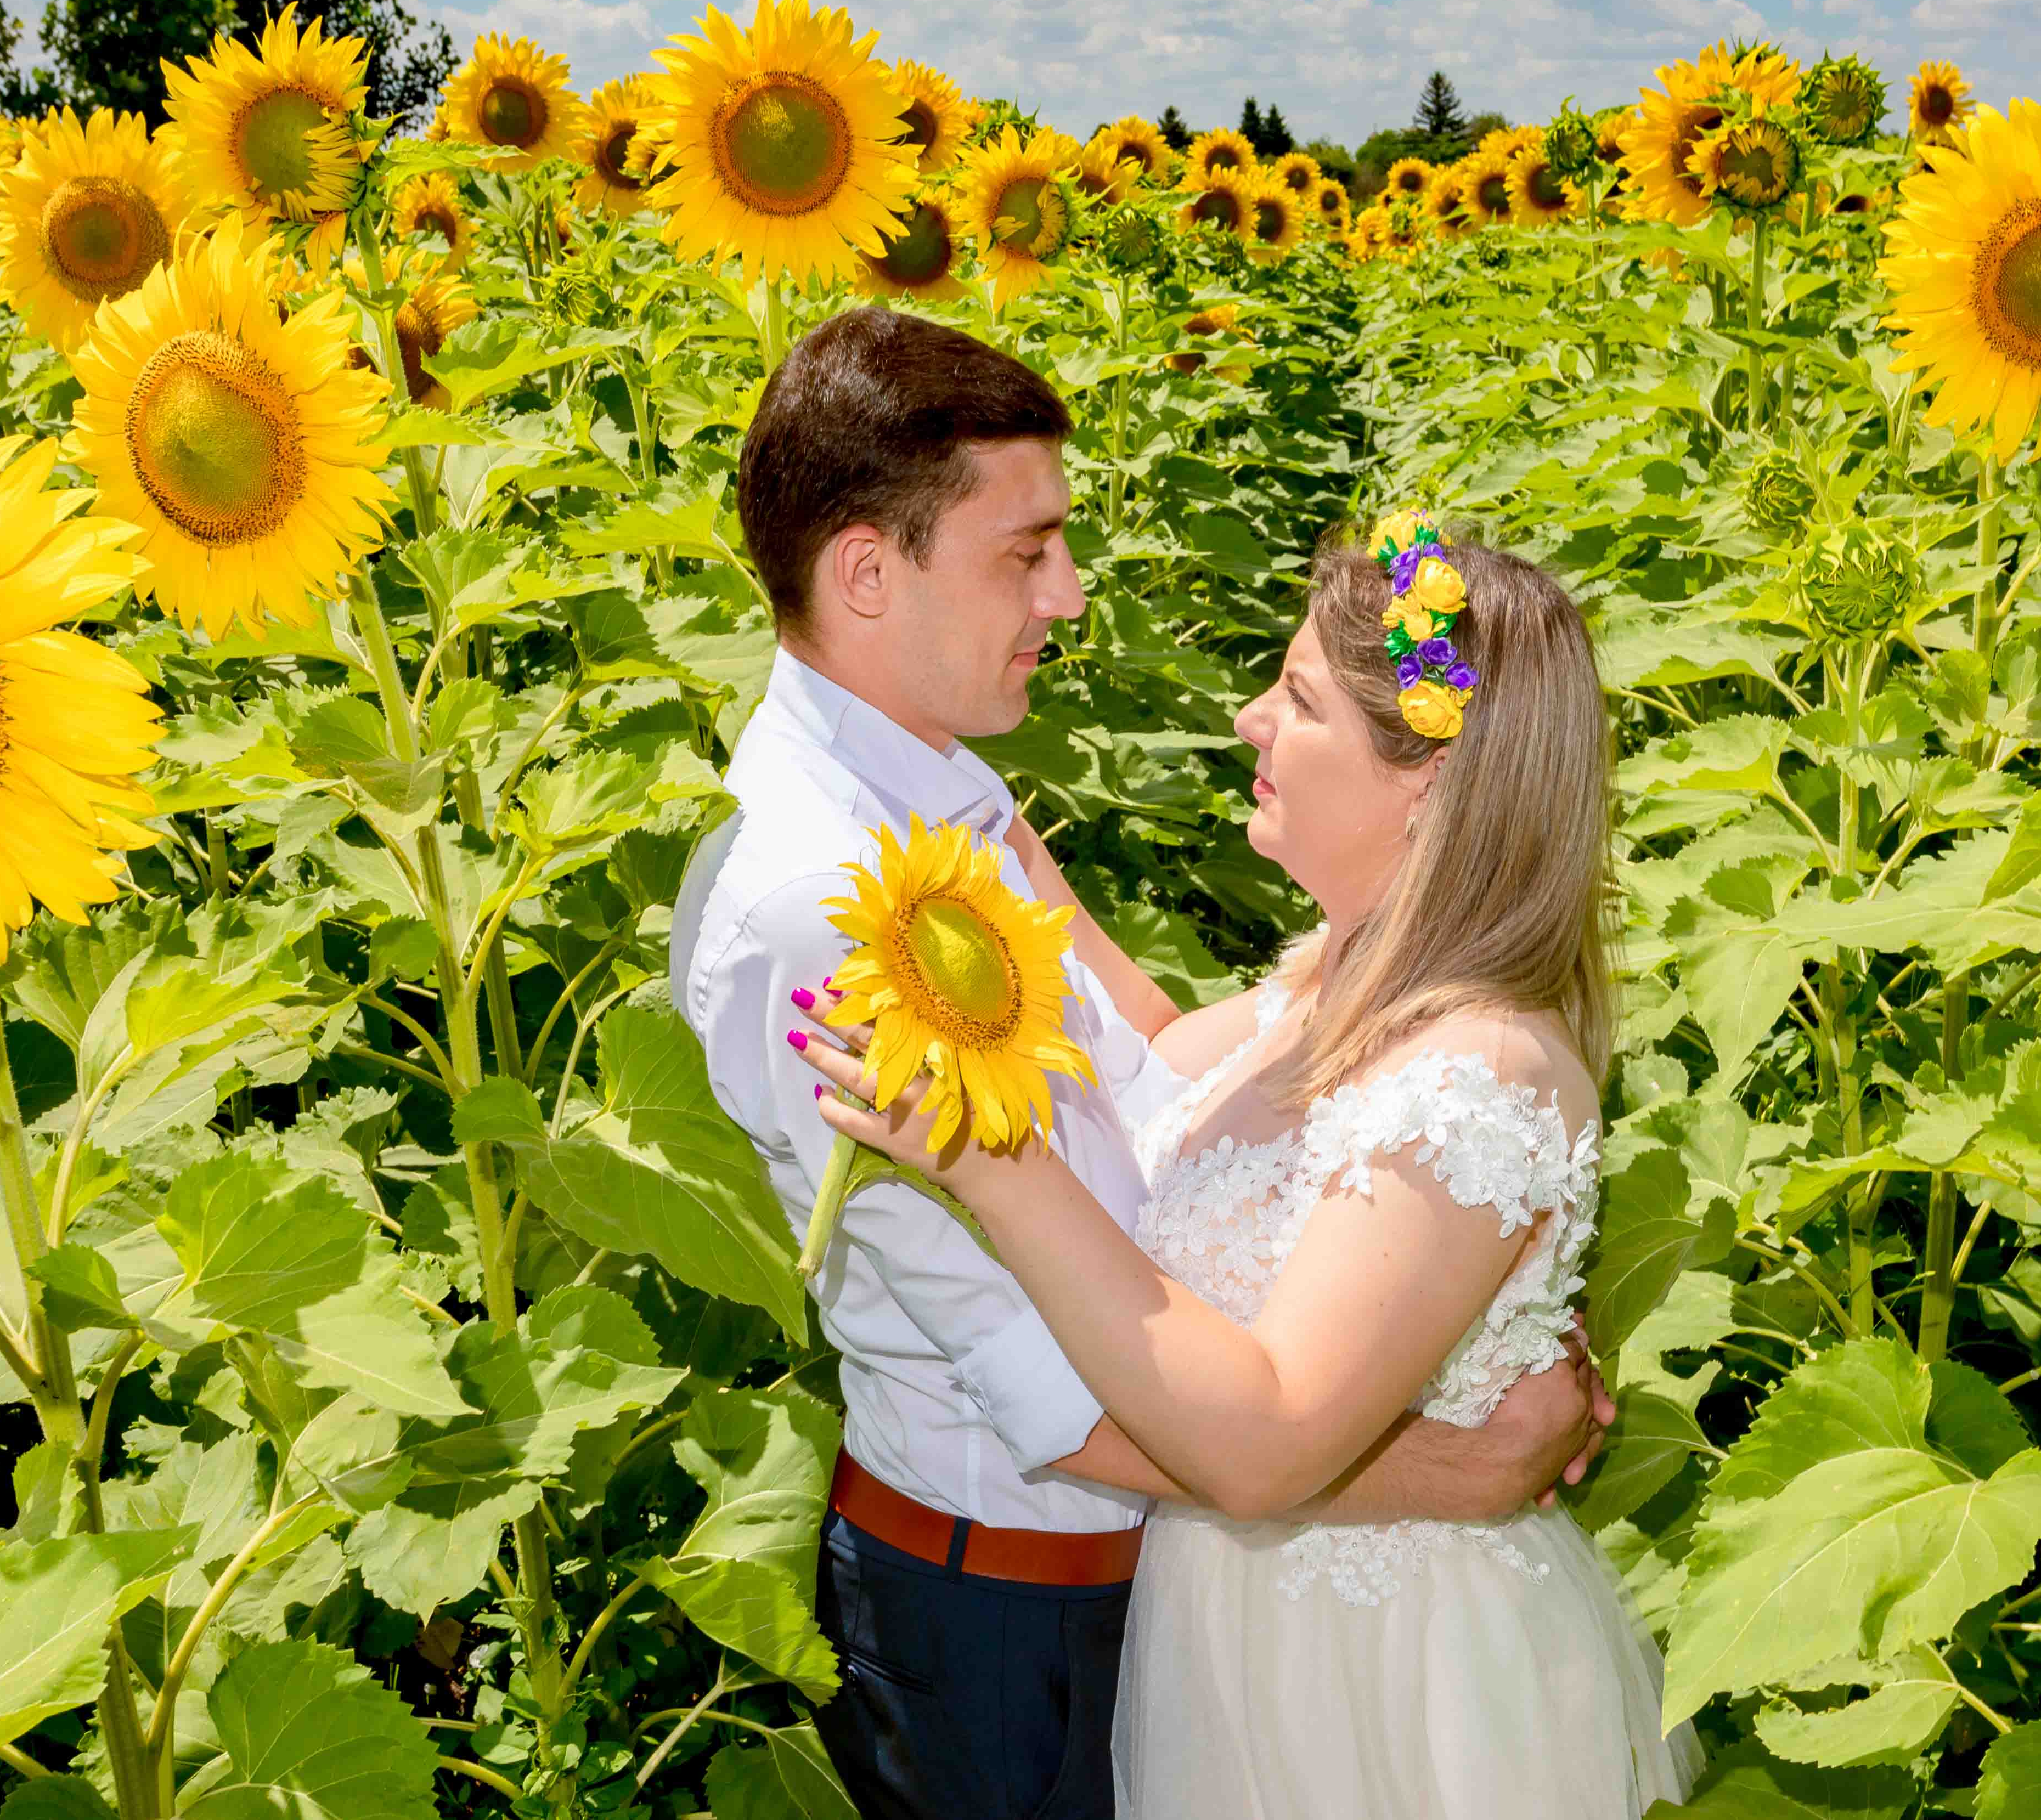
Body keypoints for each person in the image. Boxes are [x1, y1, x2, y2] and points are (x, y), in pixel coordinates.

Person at [673, 306, 1612, 1820]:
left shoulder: (950, 793)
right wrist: (1456, 1461)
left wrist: (1445, 1280)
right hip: (1007, 1610)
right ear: (867, 571)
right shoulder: (821, 907)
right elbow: (1046, 1385)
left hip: (1187, 1606)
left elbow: (1161, 1067)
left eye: (1299, 697)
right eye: (1024, 550)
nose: (1074, 589)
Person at [791, 516, 1701, 1817]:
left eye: (1300, 700)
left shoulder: (1476, 1071)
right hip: (1240, 1648)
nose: (1246, 716)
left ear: (1428, 786)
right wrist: (976, 836)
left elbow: (1270, 1438)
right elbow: (1168, 1067)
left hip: (1374, 1697)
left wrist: (984, 1157)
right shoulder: (1329, 980)